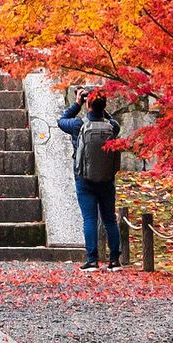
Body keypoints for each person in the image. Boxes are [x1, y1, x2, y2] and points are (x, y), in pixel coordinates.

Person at [58, 91, 125, 270]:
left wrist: (78, 103)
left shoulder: (79, 124)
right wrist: (102, 109)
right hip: (107, 179)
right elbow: (113, 122)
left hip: (84, 179)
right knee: (109, 219)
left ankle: (92, 260)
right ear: (104, 106)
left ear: (88, 105)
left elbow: (61, 120)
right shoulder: (112, 126)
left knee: (89, 219)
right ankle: (114, 261)